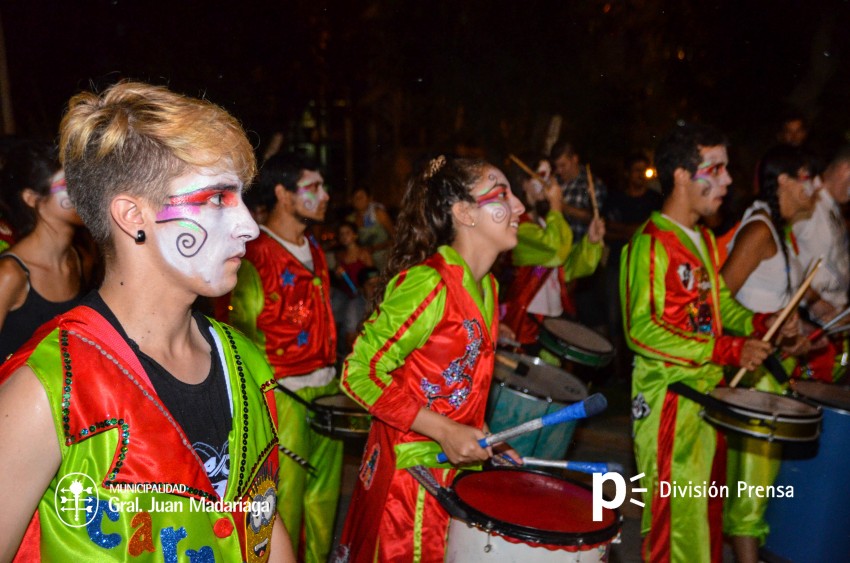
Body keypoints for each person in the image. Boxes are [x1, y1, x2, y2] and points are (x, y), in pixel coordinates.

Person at [0, 81, 293, 561]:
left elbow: (260, 517)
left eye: (240, 197)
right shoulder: (46, 393)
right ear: (133, 215)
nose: (249, 225)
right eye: (217, 199)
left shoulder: (246, 363)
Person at [335, 155, 525, 562]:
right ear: (464, 213)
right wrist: (443, 430)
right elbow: (358, 373)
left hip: (451, 473)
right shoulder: (429, 283)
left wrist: (485, 436)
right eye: (503, 195)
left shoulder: (487, 288)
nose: (521, 207)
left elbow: (458, 386)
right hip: (407, 481)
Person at [621, 123, 775, 562]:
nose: (728, 180)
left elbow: (720, 307)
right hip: (670, 404)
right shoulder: (651, 244)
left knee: (702, 525)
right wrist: (725, 350)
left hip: (706, 399)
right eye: (716, 168)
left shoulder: (704, 240)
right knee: (675, 532)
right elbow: (641, 330)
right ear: (682, 176)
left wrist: (763, 325)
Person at [229, 153, 340, 563]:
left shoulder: (314, 247)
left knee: (323, 501)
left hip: (325, 388)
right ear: (282, 193)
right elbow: (239, 332)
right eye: (313, 188)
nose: (325, 196)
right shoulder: (252, 253)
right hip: (283, 396)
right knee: (282, 504)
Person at [720, 145, 815, 563]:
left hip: (768, 372)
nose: (811, 187)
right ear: (783, 181)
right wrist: (762, 327)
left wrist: (793, 334)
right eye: (806, 177)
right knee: (750, 492)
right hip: (752, 378)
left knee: (755, 489)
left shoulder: (779, 232)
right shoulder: (759, 231)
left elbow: (771, 310)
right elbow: (717, 302)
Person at [501, 153, 605, 354]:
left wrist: (590, 243)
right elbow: (555, 249)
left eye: (550, 176)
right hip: (527, 319)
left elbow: (567, 268)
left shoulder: (544, 223)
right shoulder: (517, 226)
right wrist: (556, 208)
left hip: (552, 318)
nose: (547, 183)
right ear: (524, 184)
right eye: (540, 175)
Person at [0, 141, 87, 363]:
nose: (81, 193)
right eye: (66, 185)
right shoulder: (10, 274)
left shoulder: (76, 259)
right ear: (31, 198)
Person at [604, 153, 663, 378]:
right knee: (613, 319)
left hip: (644, 268)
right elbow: (607, 230)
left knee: (640, 318)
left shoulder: (655, 200)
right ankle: (616, 373)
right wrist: (633, 229)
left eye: (645, 170)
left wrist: (622, 228)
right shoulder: (615, 199)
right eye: (637, 171)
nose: (642, 176)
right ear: (628, 174)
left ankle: (635, 372)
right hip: (616, 265)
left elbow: (650, 229)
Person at [332, 220, 374, 358]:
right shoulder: (340, 256)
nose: (344, 236)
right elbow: (338, 280)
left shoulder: (363, 254)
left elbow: (372, 276)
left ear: (355, 235)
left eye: (347, 233)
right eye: (341, 234)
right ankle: (336, 348)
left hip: (360, 294)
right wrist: (337, 275)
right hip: (345, 294)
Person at [348, 188, 395, 272]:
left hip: (385, 259)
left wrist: (375, 248)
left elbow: (395, 237)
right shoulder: (350, 220)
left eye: (361, 197)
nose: (358, 200)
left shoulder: (379, 214)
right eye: (355, 197)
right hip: (365, 262)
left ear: (369, 199)